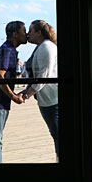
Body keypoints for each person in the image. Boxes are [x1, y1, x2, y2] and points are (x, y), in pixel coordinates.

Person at [20, 20, 59, 161]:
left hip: (52, 100)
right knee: (55, 133)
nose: (28, 34)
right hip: (46, 99)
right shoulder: (41, 47)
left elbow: (43, 76)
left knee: (57, 134)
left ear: (38, 32)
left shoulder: (46, 47)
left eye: (30, 31)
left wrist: (26, 95)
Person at [0, 21, 27, 163]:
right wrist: (13, 96)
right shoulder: (8, 50)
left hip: (1, 101)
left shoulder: (10, 49)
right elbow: (0, 75)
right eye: (23, 31)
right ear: (15, 34)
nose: (25, 34)